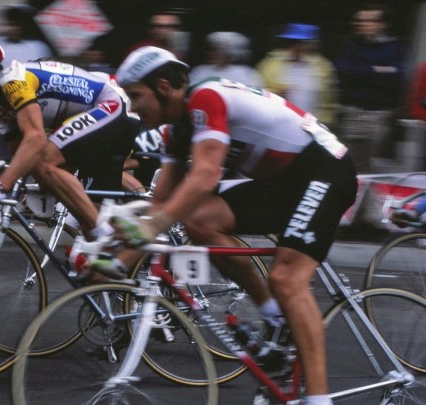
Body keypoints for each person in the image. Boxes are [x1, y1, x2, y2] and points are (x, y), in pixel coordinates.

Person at [112, 46, 358, 405]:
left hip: (325, 169)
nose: (132, 107)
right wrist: (114, 261)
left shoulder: (206, 99)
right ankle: (273, 315)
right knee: (199, 220)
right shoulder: (175, 133)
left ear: (163, 86)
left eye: (135, 96)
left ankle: (319, 400)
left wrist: (155, 224)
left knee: (287, 279)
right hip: (284, 183)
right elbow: (160, 208)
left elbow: (206, 175)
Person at [0, 33, 140, 239]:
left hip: (111, 104)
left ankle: (107, 235)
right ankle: (122, 248)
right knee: (90, 230)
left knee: (46, 160)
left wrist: (0, 186)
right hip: (94, 119)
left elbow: (35, 139)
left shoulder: (13, 81)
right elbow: (23, 157)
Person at [334, 2, 407, 173]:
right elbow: (342, 71)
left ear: (382, 25)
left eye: (368, 21)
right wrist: (376, 70)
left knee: (369, 165)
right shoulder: (350, 46)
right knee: (345, 162)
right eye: (359, 20)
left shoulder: (394, 49)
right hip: (352, 112)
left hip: (378, 114)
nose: (362, 24)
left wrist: (361, 72)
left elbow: (396, 78)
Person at [256, 23, 338, 128]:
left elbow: (329, 102)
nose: (296, 47)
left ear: (313, 45)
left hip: (313, 127)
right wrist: (275, 93)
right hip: (277, 125)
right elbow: (256, 92)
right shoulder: (270, 64)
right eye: (291, 43)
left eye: (302, 43)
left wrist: (325, 125)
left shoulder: (324, 67)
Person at [189, 31, 264, 88]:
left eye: (215, 50)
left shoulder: (247, 74)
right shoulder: (199, 71)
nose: (211, 53)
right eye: (210, 49)